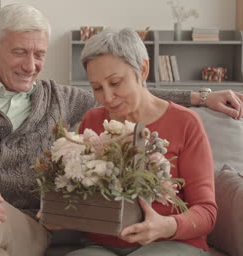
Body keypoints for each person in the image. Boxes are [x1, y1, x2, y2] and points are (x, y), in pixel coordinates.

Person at [0, 4, 243, 256]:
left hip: (21, 222)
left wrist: (203, 96)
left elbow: (133, 94)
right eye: (19, 52)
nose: (30, 66)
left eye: (39, 54)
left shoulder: (61, 97)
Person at [66, 28, 217, 256]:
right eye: (96, 87)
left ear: (143, 70)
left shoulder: (186, 122)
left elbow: (206, 212)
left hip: (171, 243)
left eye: (115, 82)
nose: (106, 97)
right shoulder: (92, 121)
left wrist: (166, 226)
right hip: (103, 245)